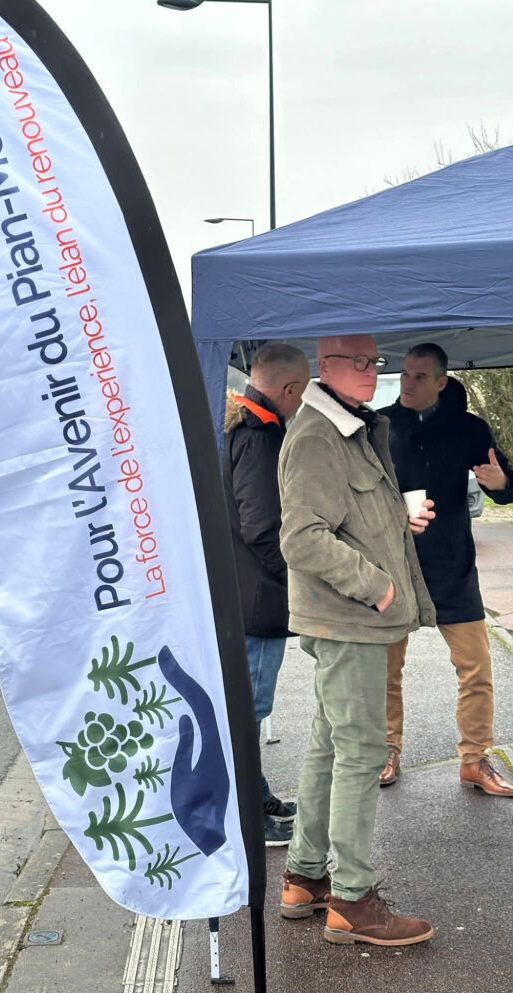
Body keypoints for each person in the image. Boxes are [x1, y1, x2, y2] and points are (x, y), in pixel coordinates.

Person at [278, 334, 437, 946]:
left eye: (378, 364)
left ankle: (305, 878)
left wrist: (400, 518)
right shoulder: (321, 434)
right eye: (361, 363)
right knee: (362, 753)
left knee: (329, 747)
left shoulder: (347, 426)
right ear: (326, 367)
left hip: (349, 620)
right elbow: (303, 538)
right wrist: (380, 588)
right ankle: (352, 898)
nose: (375, 374)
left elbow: (349, 520)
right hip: (351, 620)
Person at [377, 342, 513, 795]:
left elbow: (506, 485)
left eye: (420, 377)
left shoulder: (469, 428)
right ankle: (386, 751)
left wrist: (503, 485)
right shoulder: (378, 425)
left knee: (476, 669)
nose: (408, 384)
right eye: (405, 374)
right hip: (393, 568)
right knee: (384, 671)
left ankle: (475, 761)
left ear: (441, 381)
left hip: (453, 568)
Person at [223, 342, 310, 846]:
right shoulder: (258, 436)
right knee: (249, 712)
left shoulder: (238, 422)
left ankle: (255, 796)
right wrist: (293, 575)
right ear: (290, 389)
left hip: (241, 592)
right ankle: (249, 819)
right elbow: (261, 527)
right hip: (258, 600)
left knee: (246, 710)